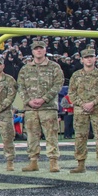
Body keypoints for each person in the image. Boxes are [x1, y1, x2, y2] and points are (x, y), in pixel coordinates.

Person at [17, 39, 64, 172]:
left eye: (41, 48)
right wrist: (28, 101)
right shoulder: (25, 69)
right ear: (32, 51)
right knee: (32, 135)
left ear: (45, 50)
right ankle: (33, 161)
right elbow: (20, 87)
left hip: (48, 107)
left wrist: (44, 99)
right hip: (30, 108)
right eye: (36, 48)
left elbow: (58, 84)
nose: (38, 50)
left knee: (51, 134)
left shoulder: (54, 67)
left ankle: (53, 161)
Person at [67, 48, 98, 174]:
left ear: (95, 58)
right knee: (80, 137)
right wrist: (82, 104)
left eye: (91, 56)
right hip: (80, 110)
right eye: (86, 57)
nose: (89, 59)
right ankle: (80, 164)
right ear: (82, 60)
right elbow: (72, 93)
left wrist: (92, 103)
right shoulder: (76, 75)